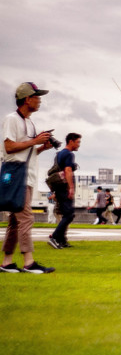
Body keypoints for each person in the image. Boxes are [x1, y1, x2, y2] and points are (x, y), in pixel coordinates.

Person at [1, 83, 56, 274]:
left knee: (16, 221)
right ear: (27, 99)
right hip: (17, 177)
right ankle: (28, 262)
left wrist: (41, 148)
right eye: (37, 96)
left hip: (28, 176)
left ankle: (7, 262)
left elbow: (26, 152)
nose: (39, 100)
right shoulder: (11, 119)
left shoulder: (30, 122)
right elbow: (8, 147)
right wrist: (34, 141)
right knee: (26, 218)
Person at [47, 132, 82, 249]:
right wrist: (71, 188)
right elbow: (68, 171)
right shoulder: (69, 154)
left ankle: (62, 240)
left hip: (58, 187)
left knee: (66, 214)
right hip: (64, 188)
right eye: (78, 142)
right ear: (71, 141)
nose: (79, 145)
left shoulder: (59, 154)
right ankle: (55, 237)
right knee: (69, 214)